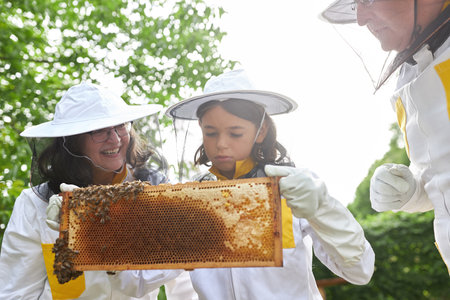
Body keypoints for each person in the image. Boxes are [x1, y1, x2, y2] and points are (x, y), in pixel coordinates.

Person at [162, 69, 375, 299]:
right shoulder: (191, 199)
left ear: (261, 131)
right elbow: (174, 284)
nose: (221, 144)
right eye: (210, 133)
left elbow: (360, 270)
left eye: (235, 133)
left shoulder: (293, 185)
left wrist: (323, 208)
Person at [0, 82, 195, 299]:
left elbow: (185, 282)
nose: (115, 139)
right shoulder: (34, 204)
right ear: (72, 141)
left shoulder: (155, 192)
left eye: (120, 125)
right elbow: (16, 292)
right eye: (99, 130)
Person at [321, 0, 450, 272]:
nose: (359, 18)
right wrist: (411, 190)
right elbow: (440, 179)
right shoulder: (409, 74)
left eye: (367, 0)